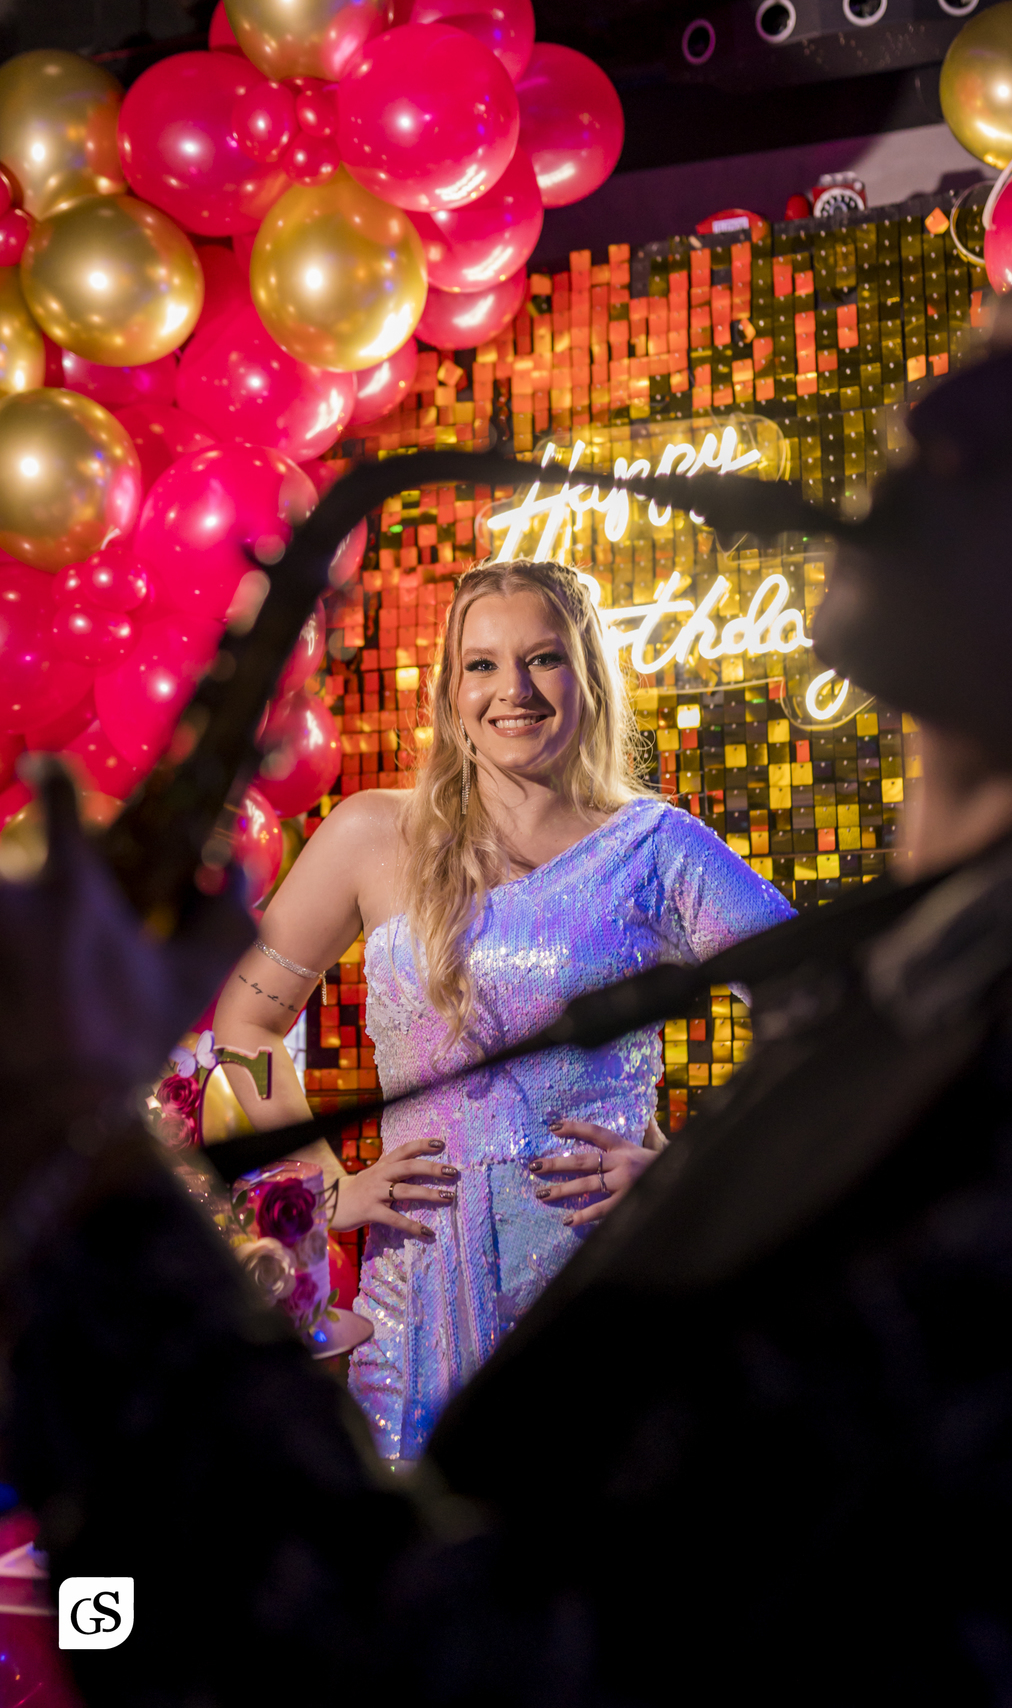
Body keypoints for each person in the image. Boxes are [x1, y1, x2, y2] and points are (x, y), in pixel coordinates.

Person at [10, 130, 1012, 1706]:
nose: (939, 404)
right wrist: (307, 1167)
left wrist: (60, 1161)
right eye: (995, 349)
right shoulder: (967, 985)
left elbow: (432, 1679)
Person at [212, 557, 794, 1460]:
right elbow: (245, 1020)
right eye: (481, 664)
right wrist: (324, 1188)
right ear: (450, 691)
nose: (511, 691)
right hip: (413, 1299)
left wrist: (687, 1177)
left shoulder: (658, 850)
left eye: (543, 659)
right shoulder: (372, 835)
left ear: (589, 676)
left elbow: (829, 1002)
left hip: (598, 1291)